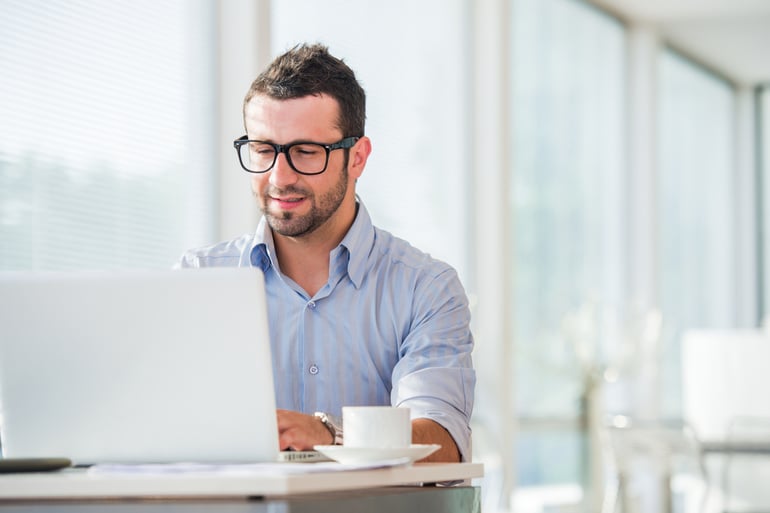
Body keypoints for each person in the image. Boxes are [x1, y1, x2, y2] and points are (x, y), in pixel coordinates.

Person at [178, 43, 475, 463]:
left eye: (305, 152)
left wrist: (328, 434)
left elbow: (443, 441)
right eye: (263, 150)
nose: (279, 177)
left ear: (357, 157)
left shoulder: (425, 288)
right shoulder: (198, 279)